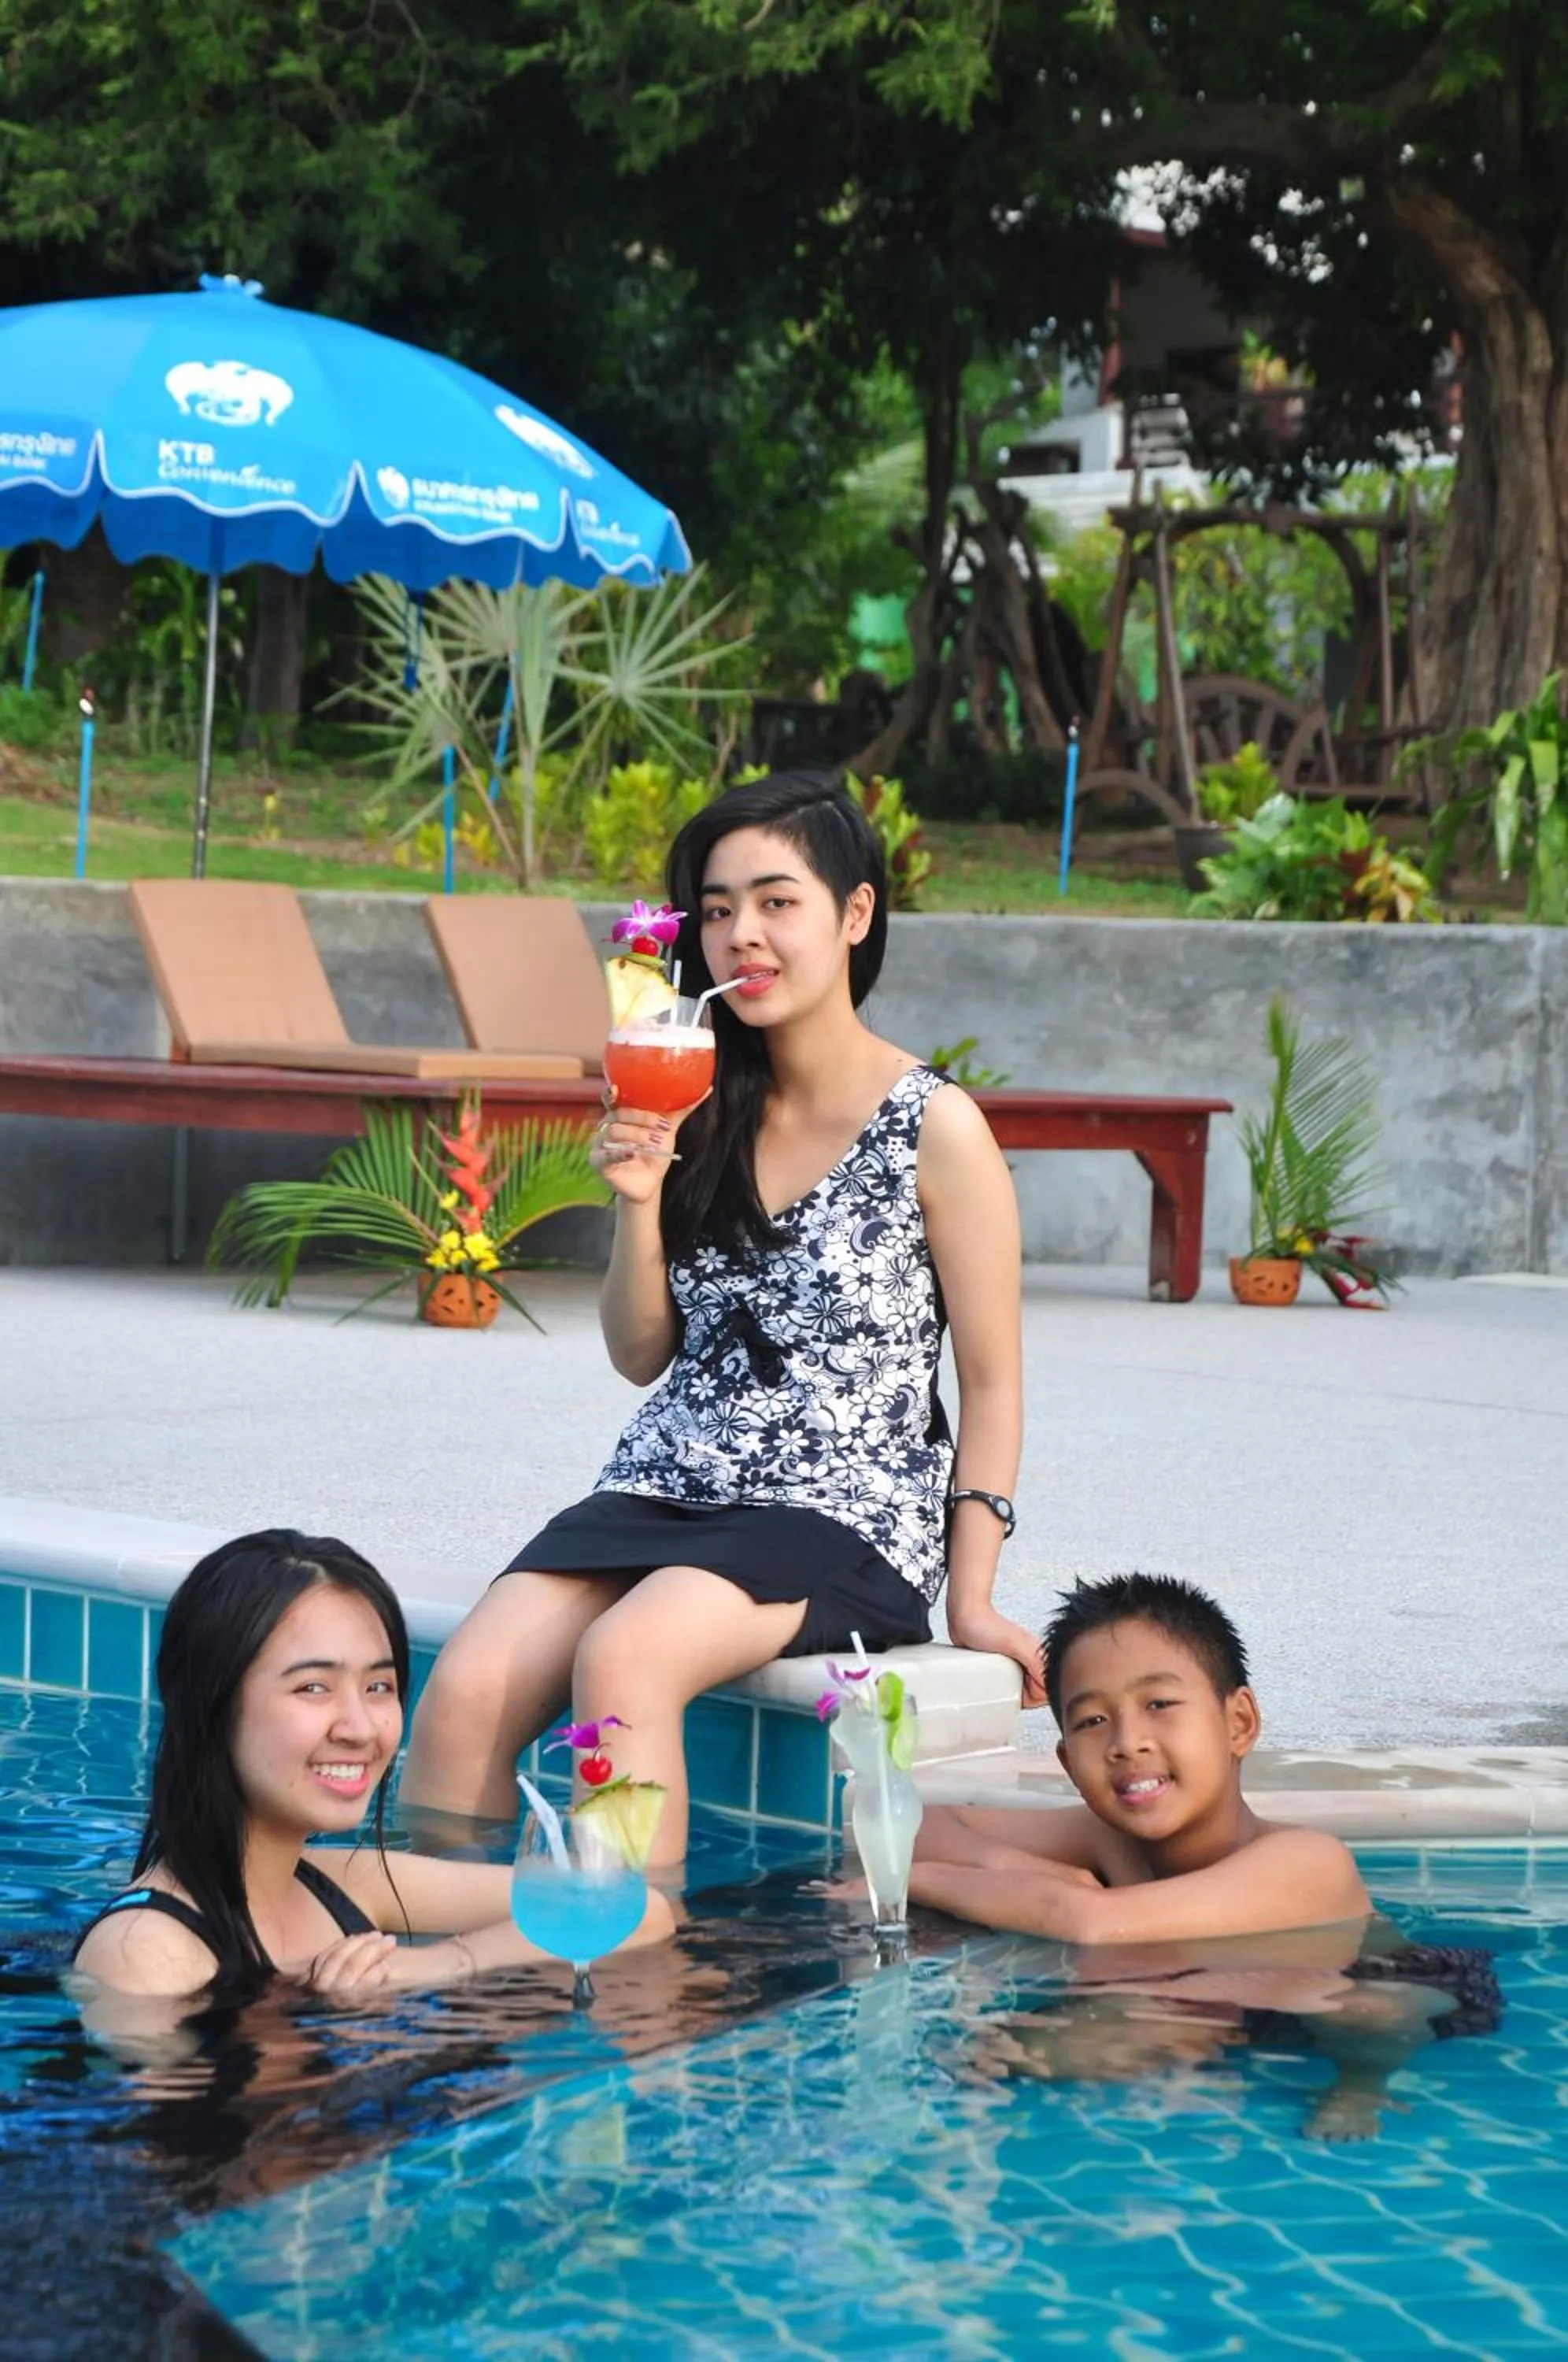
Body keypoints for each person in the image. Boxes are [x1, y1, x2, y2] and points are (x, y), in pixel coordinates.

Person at [401, 772, 1040, 1864]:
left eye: (776, 901)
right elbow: (640, 1351)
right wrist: (638, 1204)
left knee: (627, 1660)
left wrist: (972, 1597)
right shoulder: (689, 1094)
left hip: (842, 1506)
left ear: (854, 915)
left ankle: (631, 1970)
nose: (741, 934)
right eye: (714, 908)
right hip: (669, 1483)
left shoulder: (935, 1128)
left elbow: (992, 1381)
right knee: (465, 1688)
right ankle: (445, 1986)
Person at [912, 1572, 1501, 2138]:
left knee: (1376, 2016)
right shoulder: (1107, 1837)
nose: (1127, 1743)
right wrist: (1022, 1869)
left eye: (1160, 1704)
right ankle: (1205, 2040)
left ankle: (1363, 2082)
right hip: (1212, 1989)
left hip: (1353, 1987)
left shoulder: (1305, 1858)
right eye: (1093, 1720)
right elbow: (923, 1822)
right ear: (1068, 1763)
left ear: (1238, 1723)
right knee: (1017, 2049)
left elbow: (1092, 1923)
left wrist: (919, 1881)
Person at [72, 1531, 671, 2005]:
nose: (359, 1727)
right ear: (211, 1703)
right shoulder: (146, 1955)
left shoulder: (345, 1885)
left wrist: (428, 1967)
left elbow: (635, 1911)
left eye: (379, 1686)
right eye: (312, 1687)